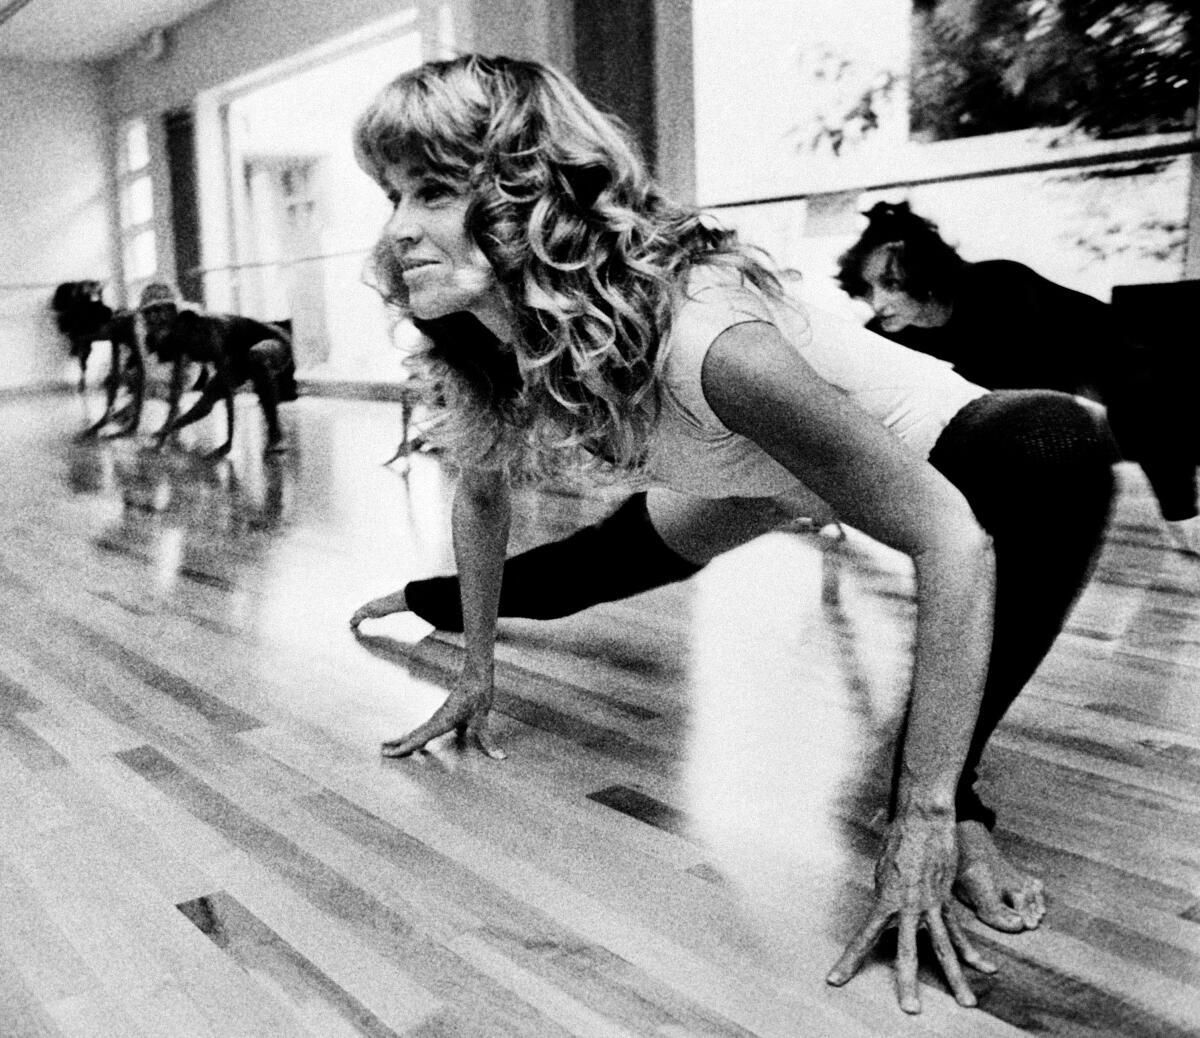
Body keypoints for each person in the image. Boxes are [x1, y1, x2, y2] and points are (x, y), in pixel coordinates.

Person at [346, 54, 1111, 1014]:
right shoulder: (491, 335)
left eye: (432, 190)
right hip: (761, 472)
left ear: (523, 192)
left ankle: (957, 805)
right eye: (391, 195)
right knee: (583, 571)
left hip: (964, 450)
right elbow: (480, 497)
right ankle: (412, 606)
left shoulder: (712, 345)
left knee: (1057, 447)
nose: (399, 229)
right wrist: (474, 666)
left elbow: (952, 544)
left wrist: (921, 818)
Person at [836, 200, 1200, 554]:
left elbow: (1132, 388)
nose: (877, 303)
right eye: (869, 289)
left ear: (926, 276)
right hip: (1053, 407)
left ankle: (1184, 520)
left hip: (1143, 366)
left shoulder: (1001, 289)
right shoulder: (887, 330)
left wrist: (1180, 512)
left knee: (1141, 401)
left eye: (891, 285)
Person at [137, 282, 298, 457]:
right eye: (149, 313)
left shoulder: (203, 329)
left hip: (275, 340)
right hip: (241, 354)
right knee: (209, 396)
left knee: (256, 358)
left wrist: (228, 443)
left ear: (173, 310)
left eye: (159, 311)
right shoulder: (178, 340)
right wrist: (165, 431)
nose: (154, 318)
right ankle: (274, 434)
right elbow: (194, 401)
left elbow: (229, 394)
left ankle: (276, 435)